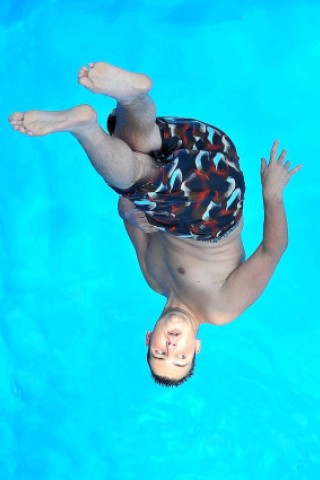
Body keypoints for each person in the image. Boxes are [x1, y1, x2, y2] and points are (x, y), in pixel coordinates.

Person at [9, 62, 301, 387]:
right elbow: (273, 250)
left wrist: (133, 216)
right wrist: (272, 194)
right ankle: (84, 128)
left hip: (209, 145)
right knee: (135, 181)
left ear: (149, 337)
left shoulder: (152, 276)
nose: (171, 348)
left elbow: (126, 210)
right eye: (181, 357)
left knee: (133, 146)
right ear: (196, 348)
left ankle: (132, 96)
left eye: (159, 353)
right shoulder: (221, 310)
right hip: (215, 205)